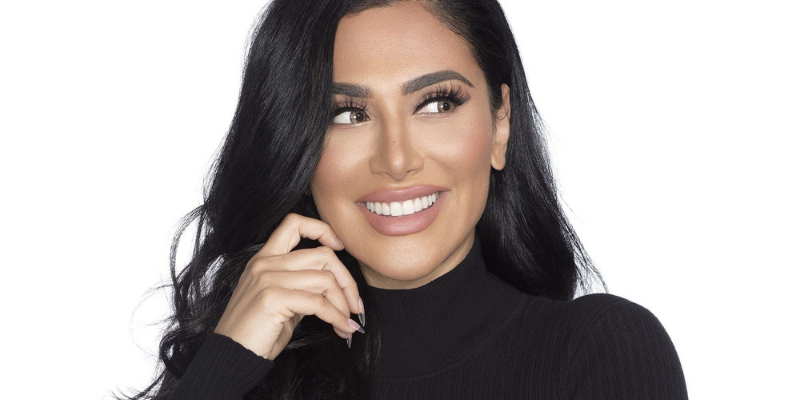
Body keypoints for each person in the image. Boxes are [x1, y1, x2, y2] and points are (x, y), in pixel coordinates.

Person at [123, 0, 688, 399]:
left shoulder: (599, 353)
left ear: (500, 124)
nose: (396, 160)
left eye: (437, 104)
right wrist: (223, 366)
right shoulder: (242, 371)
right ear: (296, 146)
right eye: (348, 114)